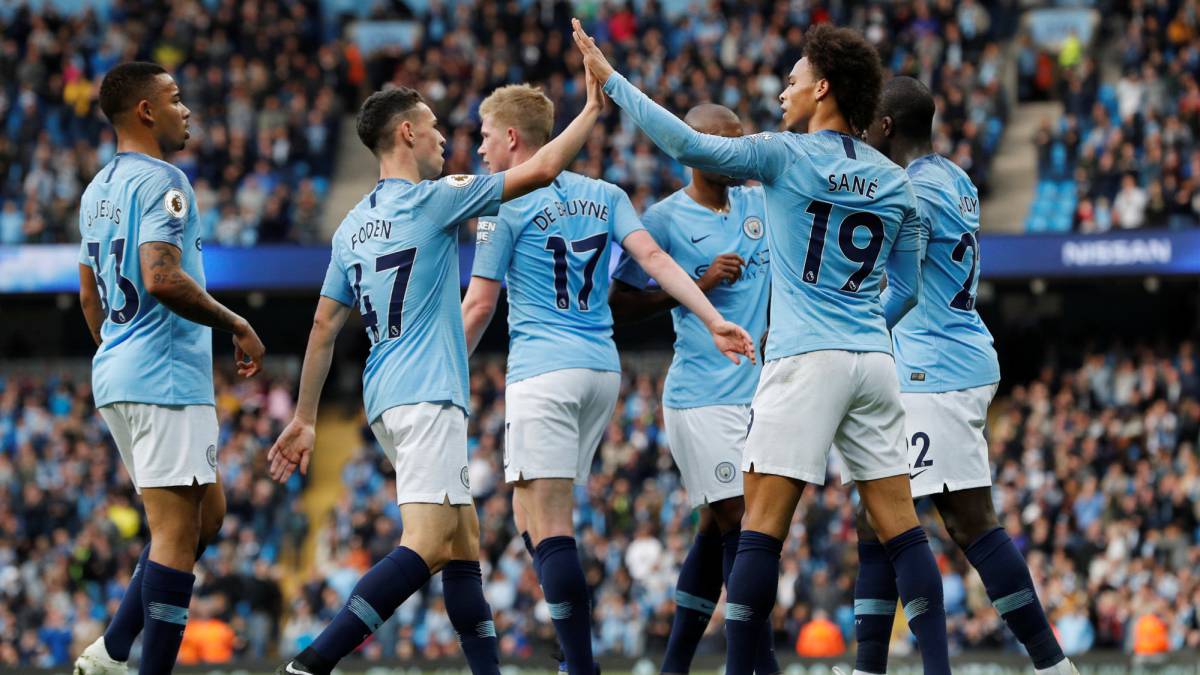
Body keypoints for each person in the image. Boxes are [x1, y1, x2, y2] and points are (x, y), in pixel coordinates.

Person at [572, 20, 951, 675]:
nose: (783, 90)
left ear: (823, 88)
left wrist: (612, 82)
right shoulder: (898, 185)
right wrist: (861, 325)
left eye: (795, 78)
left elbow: (688, 141)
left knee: (759, 531)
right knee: (902, 527)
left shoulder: (782, 155)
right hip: (873, 361)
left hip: (804, 361)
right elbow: (909, 289)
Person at [265, 72, 622, 675]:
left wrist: (305, 416)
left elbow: (324, 328)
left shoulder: (351, 225)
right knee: (429, 542)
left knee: (462, 542)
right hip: (426, 394)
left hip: (386, 396)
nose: (444, 142)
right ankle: (310, 664)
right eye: (433, 129)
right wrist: (591, 111)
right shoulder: (437, 200)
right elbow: (536, 171)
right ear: (407, 132)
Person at [460, 84, 756, 675]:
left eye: (486, 137)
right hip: (600, 368)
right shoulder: (606, 194)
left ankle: (581, 663)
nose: (481, 149)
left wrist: (444, 376)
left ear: (513, 137)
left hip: (542, 370)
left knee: (550, 526)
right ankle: (571, 644)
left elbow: (479, 306)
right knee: (529, 519)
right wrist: (713, 317)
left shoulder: (498, 205)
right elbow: (655, 264)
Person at [852, 75, 1079, 675]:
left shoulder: (911, 194)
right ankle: (867, 667)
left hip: (936, 371)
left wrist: (856, 328)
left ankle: (1052, 665)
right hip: (948, 358)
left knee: (965, 519)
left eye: (865, 121)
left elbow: (901, 287)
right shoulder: (952, 176)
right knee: (874, 515)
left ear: (885, 127)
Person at [72, 61, 266, 675]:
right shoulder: (164, 181)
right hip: (165, 379)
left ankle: (111, 650)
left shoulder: (96, 189)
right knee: (178, 537)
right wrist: (236, 322)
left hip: (122, 373)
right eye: (176, 99)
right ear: (146, 111)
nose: (187, 110)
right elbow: (160, 276)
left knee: (206, 516)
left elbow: (87, 296)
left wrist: (118, 348)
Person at [607, 103, 778, 674]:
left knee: (716, 530)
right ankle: (760, 666)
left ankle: (675, 666)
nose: (734, 152)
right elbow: (617, 304)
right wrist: (691, 287)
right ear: (695, 147)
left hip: (756, 394)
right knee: (744, 526)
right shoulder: (662, 221)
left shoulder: (758, 202)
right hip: (701, 396)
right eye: (723, 143)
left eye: (739, 142)